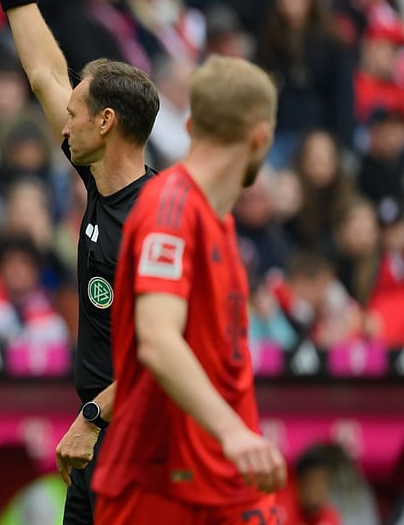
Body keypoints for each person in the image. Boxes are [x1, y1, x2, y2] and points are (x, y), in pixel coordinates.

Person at [0, 0, 161, 524]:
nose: (63, 122)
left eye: (76, 113)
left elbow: (165, 351)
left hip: (135, 439)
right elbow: (44, 73)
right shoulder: (98, 179)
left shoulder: (157, 220)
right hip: (100, 439)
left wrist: (92, 419)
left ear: (106, 122)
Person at [93, 56, 288, 523]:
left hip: (220, 479)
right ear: (261, 136)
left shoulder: (214, 220)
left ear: (192, 123)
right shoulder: (172, 209)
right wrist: (234, 433)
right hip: (164, 484)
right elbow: (158, 341)